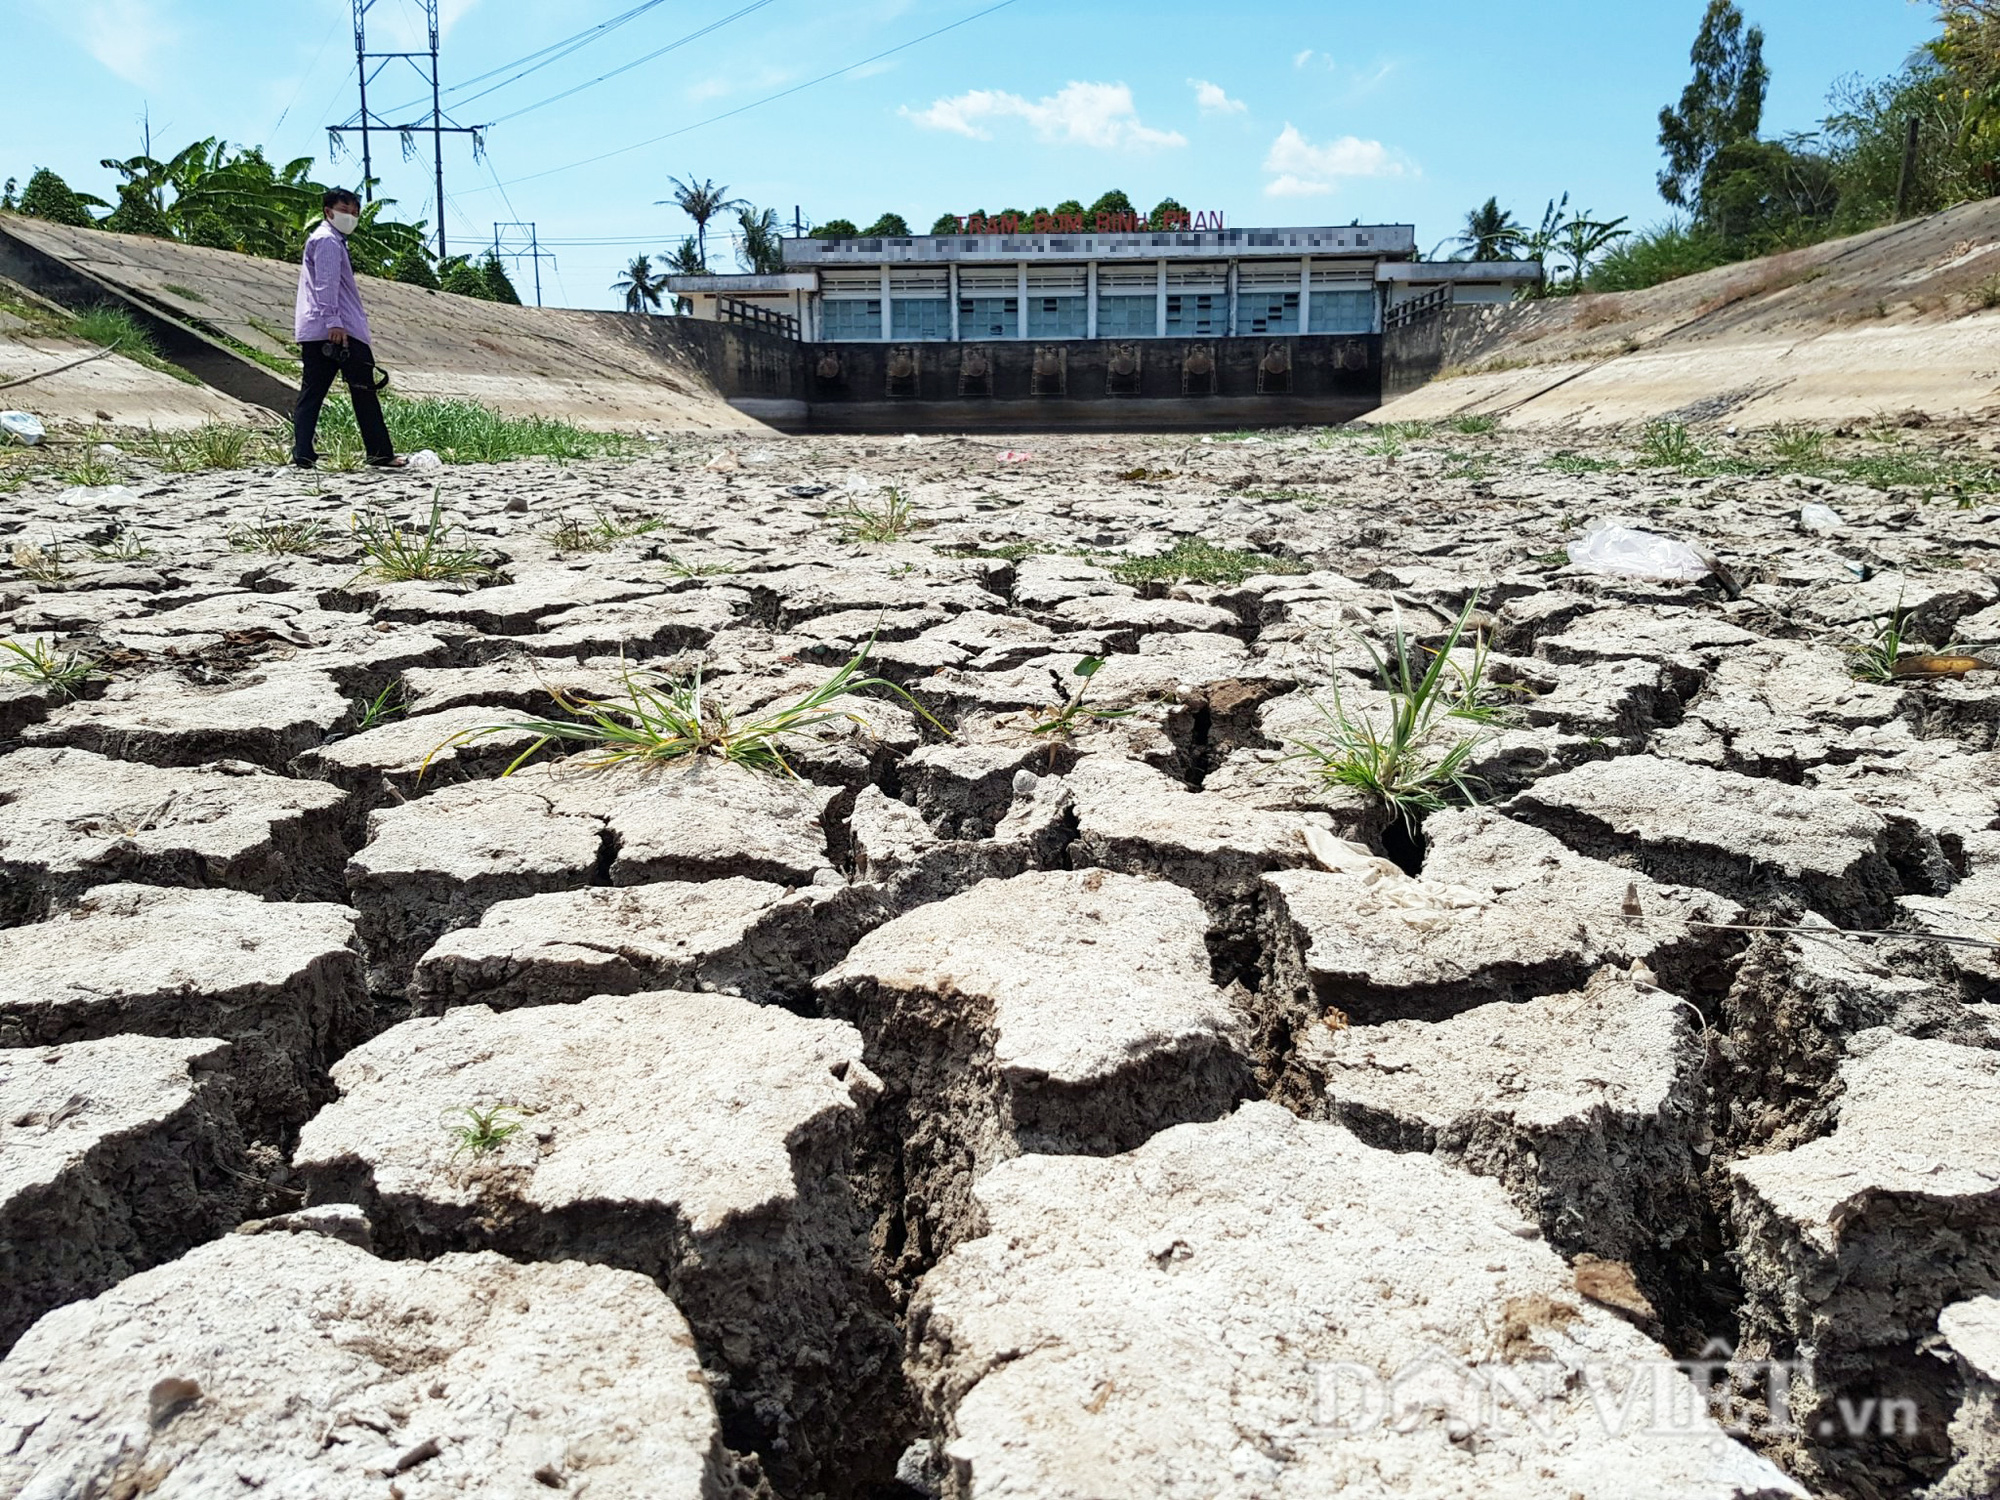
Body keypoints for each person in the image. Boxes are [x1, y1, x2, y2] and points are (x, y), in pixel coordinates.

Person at [291, 188, 405, 469]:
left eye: (355, 213)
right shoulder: (328, 241)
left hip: (319, 329)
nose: (351, 217)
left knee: (313, 392)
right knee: (363, 390)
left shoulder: (327, 240)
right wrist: (334, 322)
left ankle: (303, 454)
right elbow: (326, 285)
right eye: (345, 211)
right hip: (339, 331)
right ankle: (380, 453)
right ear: (328, 212)